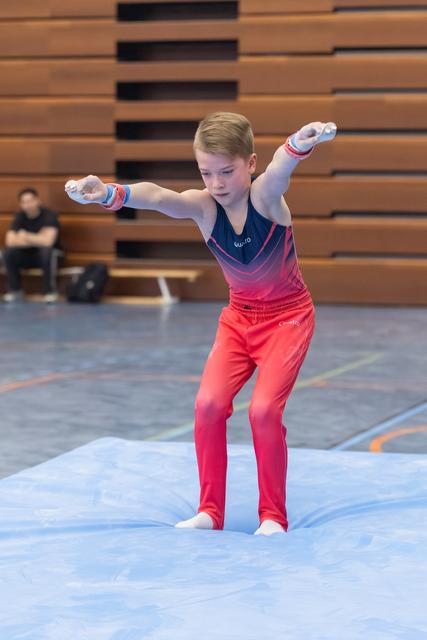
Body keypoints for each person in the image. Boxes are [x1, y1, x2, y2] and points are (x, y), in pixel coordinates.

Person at [65, 112, 337, 535]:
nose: (216, 184)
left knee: (264, 411)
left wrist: (299, 143)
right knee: (207, 407)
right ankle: (211, 511)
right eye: (206, 173)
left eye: (227, 171)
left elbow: (281, 172)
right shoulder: (204, 208)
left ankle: (272, 516)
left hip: (288, 319)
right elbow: (157, 197)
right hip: (238, 320)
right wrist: (107, 193)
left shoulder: (265, 198)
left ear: (250, 163)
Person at [2, 188, 61, 303]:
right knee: (8, 253)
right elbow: (10, 241)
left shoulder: (49, 215)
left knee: (47, 252)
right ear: (21, 204)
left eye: (30, 201)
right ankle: (15, 290)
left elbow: (48, 242)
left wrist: (25, 236)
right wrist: (38, 238)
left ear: (38, 200)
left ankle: (49, 291)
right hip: (27, 255)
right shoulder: (19, 217)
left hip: (47, 256)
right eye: (24, 202)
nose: (28, 205)